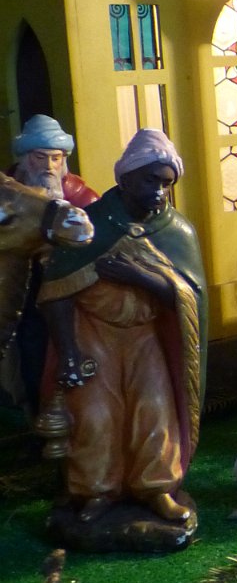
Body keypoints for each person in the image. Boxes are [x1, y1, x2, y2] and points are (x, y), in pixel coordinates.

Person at [39, 129, 205, 526]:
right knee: (96, 415)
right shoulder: (90, 225)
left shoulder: (176, 232)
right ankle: (95, 490)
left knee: (155, 411)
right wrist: (68, 351)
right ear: (126, 177)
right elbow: (56, 289)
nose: (159, 192)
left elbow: (191, 297)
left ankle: (157, 488)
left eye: (167, 184)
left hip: (146, 337)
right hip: (94, 335)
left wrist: (142, 277)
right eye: (151, 181)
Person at [7, 115, 98, 419]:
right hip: (22, 290)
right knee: (29, 351)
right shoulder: (9, 194)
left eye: (55, 158)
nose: (48, 166)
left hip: (66, 291)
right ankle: (33, 409)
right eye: (40, 157)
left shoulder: (82, 197)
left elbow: (95, 242)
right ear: (25, 158)